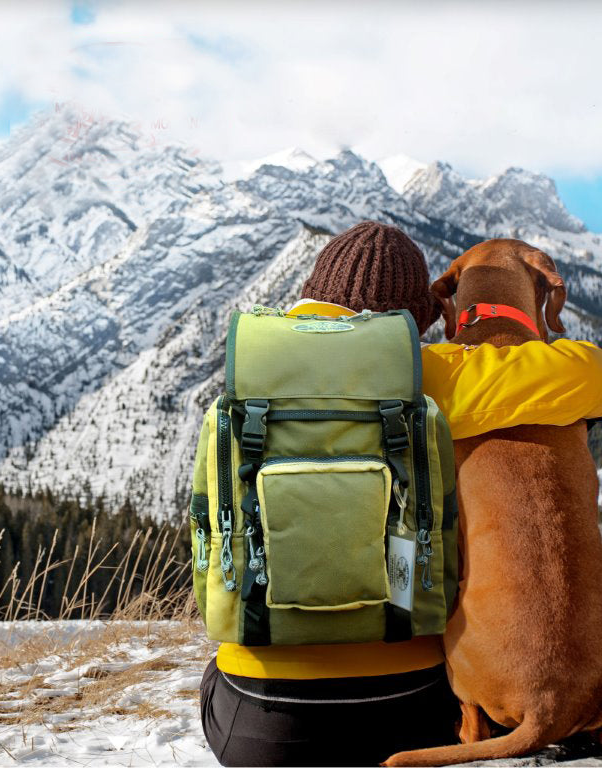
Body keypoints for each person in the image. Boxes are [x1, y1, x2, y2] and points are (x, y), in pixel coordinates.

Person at [200, 221, 460, 767]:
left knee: (217, 673)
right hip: (415, 710)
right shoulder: (435, 384)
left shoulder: (245, 384)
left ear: (314, 290)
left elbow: (206, 531)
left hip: (259, 723)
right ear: (413, 324)